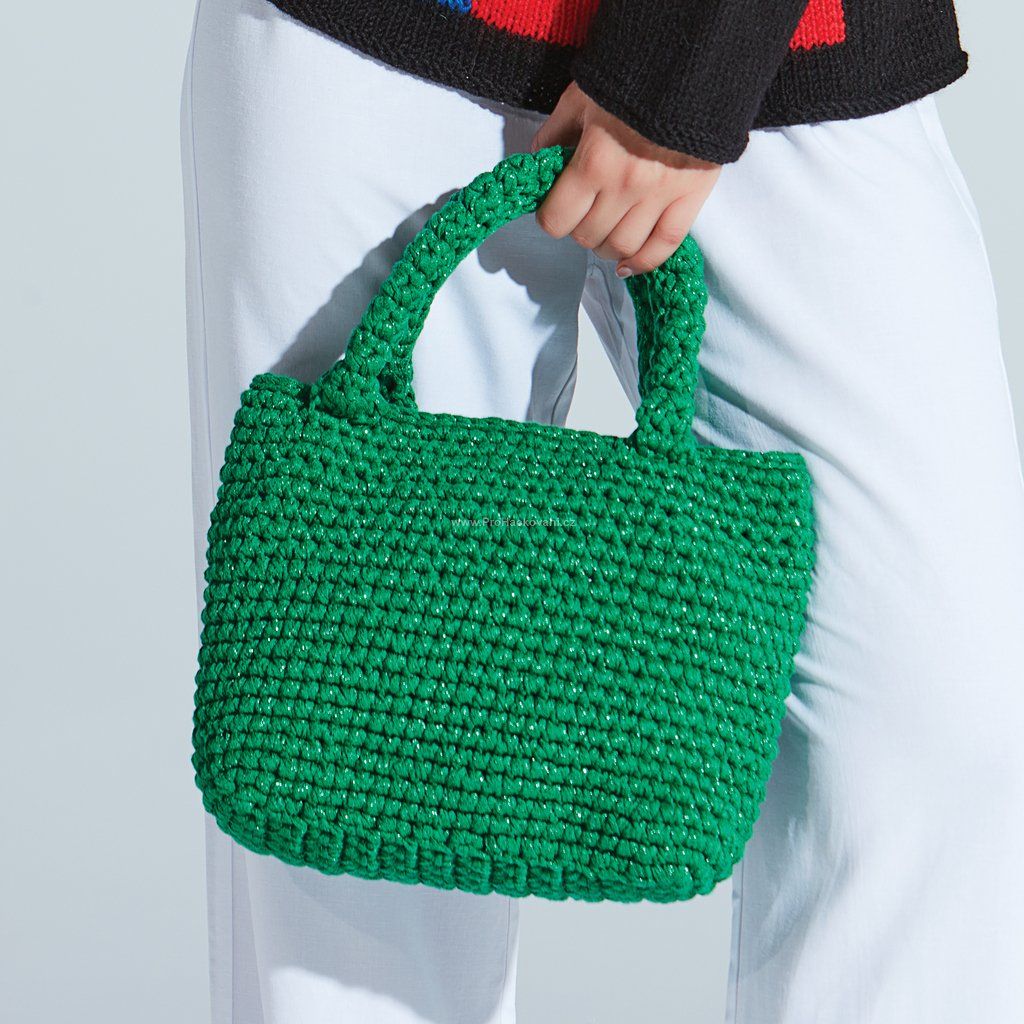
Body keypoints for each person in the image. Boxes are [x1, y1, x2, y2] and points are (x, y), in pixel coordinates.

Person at [178, 0, 1024, 1020]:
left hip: (788, 46)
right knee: (340, 767)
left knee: (929, 722)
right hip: (378, 40)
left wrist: (685, 68)